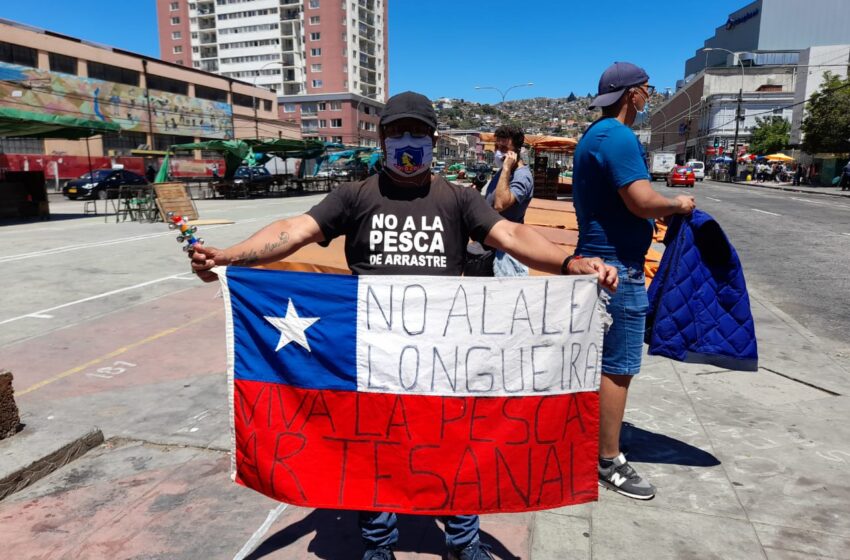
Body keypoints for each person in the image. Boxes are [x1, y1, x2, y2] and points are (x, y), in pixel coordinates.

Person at [190, 91, 619, 560]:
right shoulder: (355, 196)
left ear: (433, 139)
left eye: (416, 132)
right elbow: (293, 230)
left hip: (445, 356)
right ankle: (378, 545)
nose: (407, 142)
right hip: (372, 358)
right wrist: (229, 256)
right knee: (374, 451)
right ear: (381, 137)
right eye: (397, 132)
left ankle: (463, 541)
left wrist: (569, 262)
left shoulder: (457, 199)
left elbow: (511, 234)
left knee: (456, 446)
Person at [573, 62, 696, 501]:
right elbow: (641, 201)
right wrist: (677, 204)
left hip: (594, 259)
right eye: (648, 90)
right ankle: (608, 460)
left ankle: (590, 440)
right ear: (631, 94)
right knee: (618, 366)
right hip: (618, 268)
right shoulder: (620, 137)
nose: (649, 98)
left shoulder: (592, 135)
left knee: (597, 362)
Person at [483, 124, 534, 276]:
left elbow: (500, 204)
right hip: (492, 245)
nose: (498, 152)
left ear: (516, 151)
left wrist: (505, 168)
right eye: (497, 146)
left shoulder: (521, 176)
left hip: (507, 252)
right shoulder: (503, 173)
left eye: (504, 148)